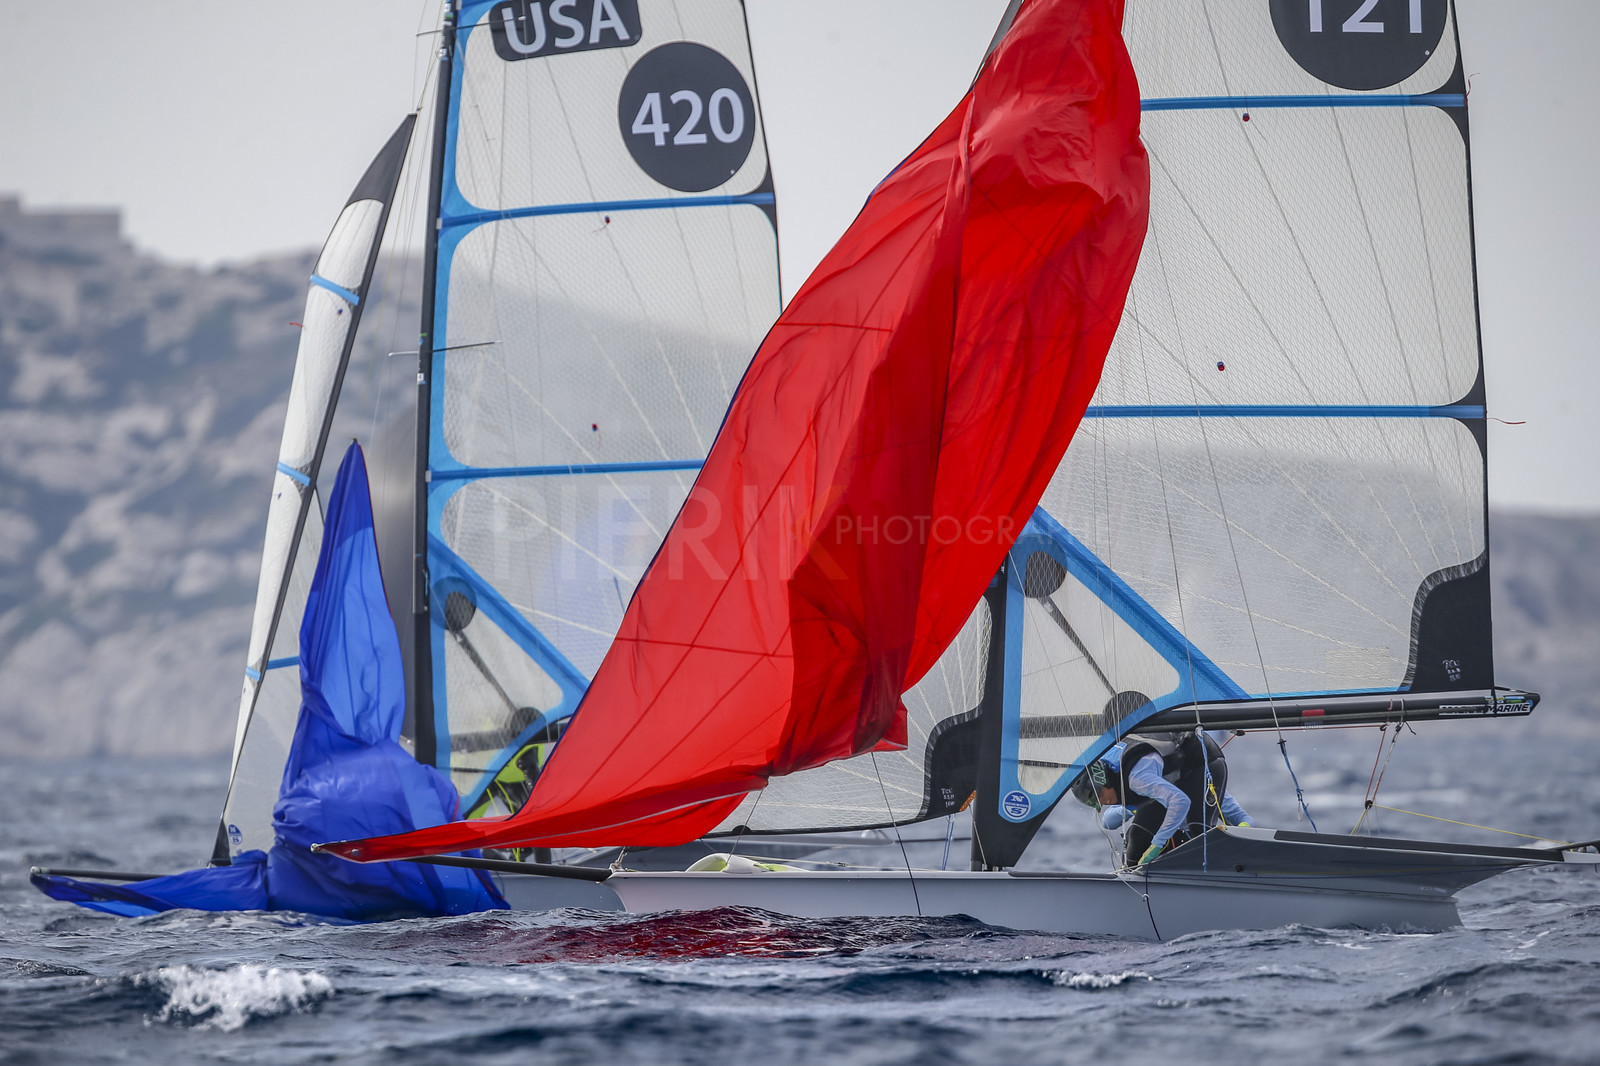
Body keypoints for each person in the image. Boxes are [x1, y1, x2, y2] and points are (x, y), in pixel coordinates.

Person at [1071, 731, 1252, 868]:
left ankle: (1218, 874)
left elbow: (1243, 819)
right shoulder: (1147, 784)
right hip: (1168, 781)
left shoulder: (1139, 779)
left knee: (1199, 832)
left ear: (1106, 781)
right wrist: (1131, 809)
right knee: (1136, 837)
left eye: (1098, 796)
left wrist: (1242, 835)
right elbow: (1108, 822)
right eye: (1092, 802)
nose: (1100, 803)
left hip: (1203, 763)